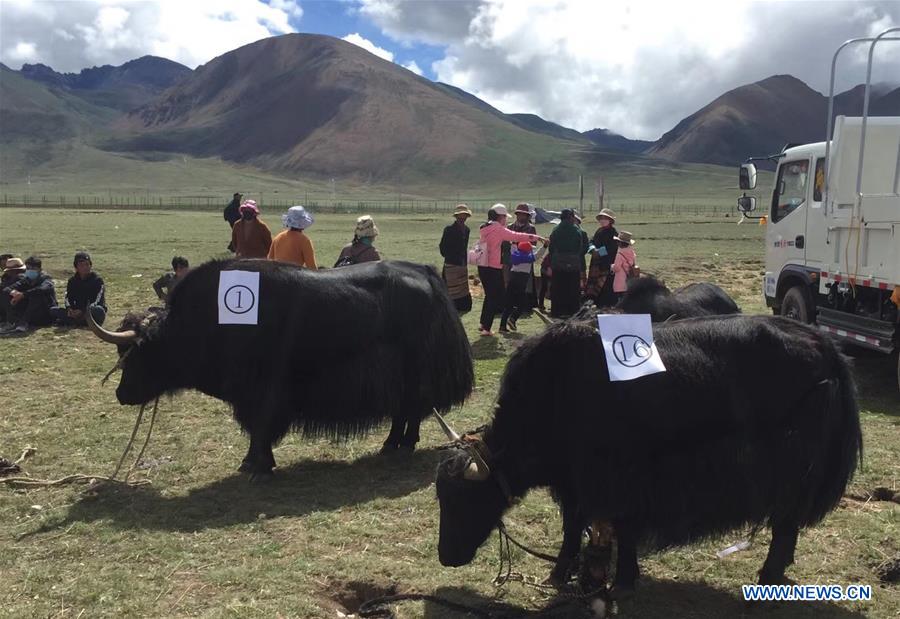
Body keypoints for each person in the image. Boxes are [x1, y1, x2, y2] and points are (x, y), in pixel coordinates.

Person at [476, 204, 543, 337]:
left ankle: (483, 323)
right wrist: (537, 238)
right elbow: (517, 236)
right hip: (493, 266)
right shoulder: (498, 229)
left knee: (489, 295)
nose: (506, 220)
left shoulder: (485, 227)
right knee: (494, 297)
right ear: (500, 217)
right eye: (504, 217)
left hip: (482, 265)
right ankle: (486, 328)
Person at [0, 256, 57, 335]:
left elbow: (42, 289)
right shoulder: (27, 279)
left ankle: (23, 323)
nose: (29, 271)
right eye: (28, 268)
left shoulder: (46, 279)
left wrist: (23, 295)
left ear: (39, 269)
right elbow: (7, 289)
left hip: (46, 314)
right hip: (32, 314)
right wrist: (14, 293)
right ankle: (12, 322)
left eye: (32, 268)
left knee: (36, 295)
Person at [548, 208, 589, 318]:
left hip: (558, 265)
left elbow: (551, 248)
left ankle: (557, 313)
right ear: (571, 217)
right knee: (573, 291)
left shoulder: (555, 230)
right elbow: (581, 248)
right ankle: (572, 313)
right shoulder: (577, 231)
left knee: (558, 290)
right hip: (573, 265)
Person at [500, 240, 547, 333]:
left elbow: (513, 247)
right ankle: (513, 319)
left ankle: (502, 326)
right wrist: (545, 246)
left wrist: (513, 242)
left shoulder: (514, 255)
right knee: (522, 304)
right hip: (521, 282)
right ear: (527, 251)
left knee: (509, 305)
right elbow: (538, 254)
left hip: (512, 281)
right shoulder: (529, 258)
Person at [50, 251, 107, 327]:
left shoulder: (97, 280)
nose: (85, 267)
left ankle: (75, 321)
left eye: (87, 264)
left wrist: (82, 311)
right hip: (76, 312)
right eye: (81, 265)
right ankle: (78, 321)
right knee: (53, 310)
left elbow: (98, 301)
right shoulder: (72, 281)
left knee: (99, 310)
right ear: (76, 267)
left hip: (90, 311)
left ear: (90, 265)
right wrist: (70, 309)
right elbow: (68, 298)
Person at [439, 204, 473, 312]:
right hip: (451, 263)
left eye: (464, 216)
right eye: (461, 216)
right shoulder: (449, 230)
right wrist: (450, 257)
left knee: (462, 288)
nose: (463, 218)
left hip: (462, 264)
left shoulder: (467, 230)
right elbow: (443, 247)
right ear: (457, 217)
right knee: (449, 287)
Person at [584, 208, 619, 307]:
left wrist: (598, 252)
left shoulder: (613, 233)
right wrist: (592, 248)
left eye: (605, 218)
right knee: (594, 284)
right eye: (601, 218)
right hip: (596, 263)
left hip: (606, 263)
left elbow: (612, 248)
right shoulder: (599, 230)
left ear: (610, 220)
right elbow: (592, 241)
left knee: (605, 285)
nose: (603, 220)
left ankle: (605, 305)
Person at [611, 230, 638, 303]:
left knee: (620, 299)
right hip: (630, 280)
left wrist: (612, 266)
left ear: (620, 243)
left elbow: (617, 268)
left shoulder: (619, 255)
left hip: (621, 281)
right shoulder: (632, 252)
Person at [0, 257, 25, 326]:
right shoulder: (8, 277)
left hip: (20, 303)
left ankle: (11, 322)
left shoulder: (21, 277)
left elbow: (10, 287)